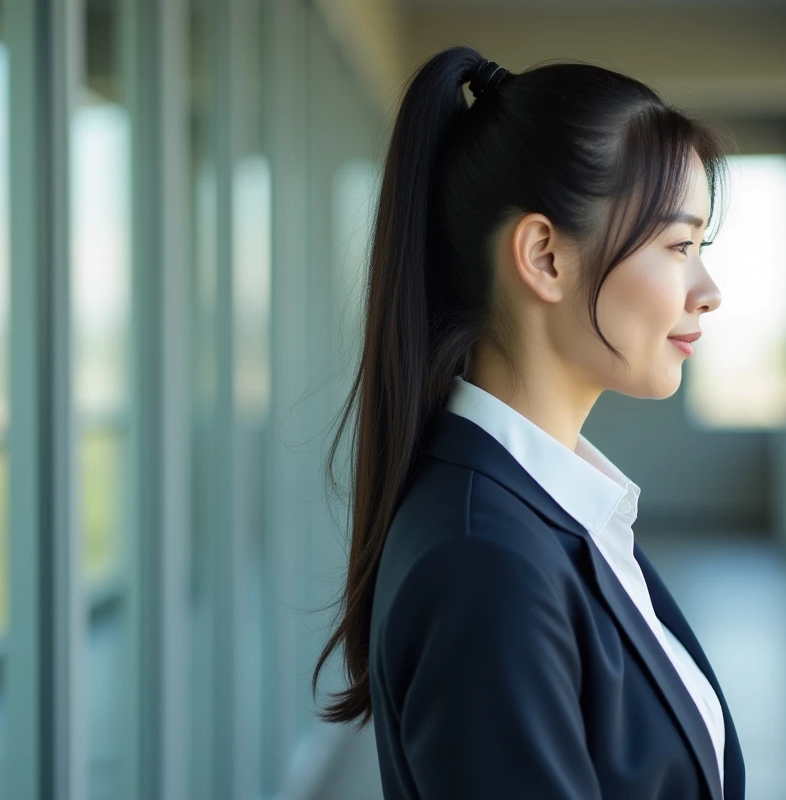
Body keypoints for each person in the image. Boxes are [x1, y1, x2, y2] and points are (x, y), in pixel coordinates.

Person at [312, 44, 745, 799]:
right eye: (679, 246)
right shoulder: (486, 561)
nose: (708, 290)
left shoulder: (548, 514)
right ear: (544, 256)